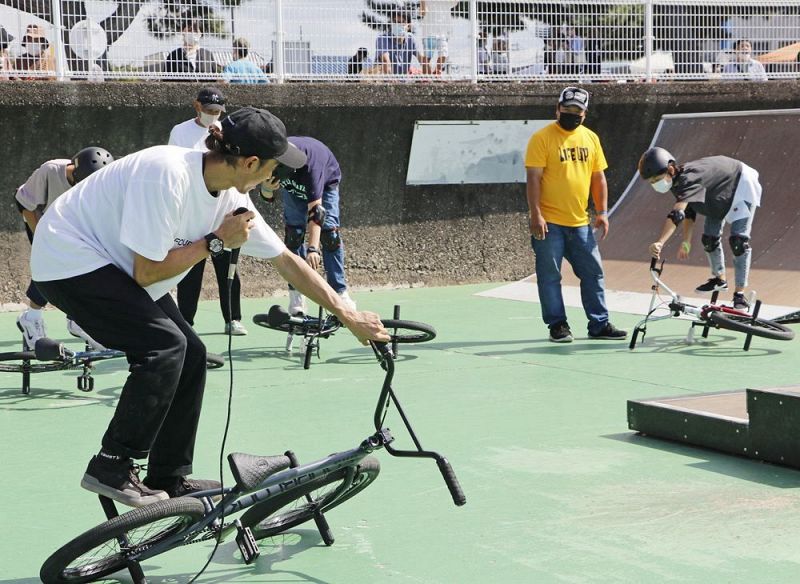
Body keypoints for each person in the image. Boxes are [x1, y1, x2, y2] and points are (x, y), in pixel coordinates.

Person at [30, 107, 389, 507]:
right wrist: (216, 242)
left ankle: (169, 475)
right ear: (251, 163)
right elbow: (147, 272)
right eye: (274, 168)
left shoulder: (232, 197)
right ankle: (112, 464)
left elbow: (286, 260)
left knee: (193, 354)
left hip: (112, 264)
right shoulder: (167, 174)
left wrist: (347, 313)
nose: (276, 179)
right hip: (67, 258)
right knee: (164, 347)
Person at [524, 87, 627, 343]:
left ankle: (599, 324)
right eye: (567, 110)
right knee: (550, 276)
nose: (572, 114)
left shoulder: (590, 138)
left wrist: (602, 212)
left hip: (580, 222)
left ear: (585, 113)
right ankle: (557, 326)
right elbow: (533, 179)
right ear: (557, 109)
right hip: (549, 223)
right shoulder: (542, 138)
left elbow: (598, 177)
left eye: (577, 111)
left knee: (593, 272)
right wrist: (535, 214)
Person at [638, 147, 762, 310]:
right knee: (709, 240)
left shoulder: (689, 179)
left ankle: (740, 295)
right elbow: (689, 213)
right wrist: (686, 242)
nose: (655, 184)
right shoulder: (676, 184)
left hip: (741, 183)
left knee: (738, 242)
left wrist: (660, 242)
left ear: (670, 169)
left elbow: (677, 215)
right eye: (652, 182)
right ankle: (720, 279)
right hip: (718, 193)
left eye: (656, 179)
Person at [15, 148, 114, 351]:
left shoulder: (96, 181)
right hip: (40, 219)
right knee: (50, 266)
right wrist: (43, 236)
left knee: (84, 266)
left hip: (70, 225)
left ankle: (77, 320)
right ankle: (31, 318)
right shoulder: (50, 171)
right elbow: (24, 202)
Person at [168, 86, 246, 335]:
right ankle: (186, 321)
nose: (214, 115)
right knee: (190, 268)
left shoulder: (226, 131)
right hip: (192, 209)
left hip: (223, 209)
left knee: (228, 267)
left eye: (218, 111)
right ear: (197, 106)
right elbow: (172, 166)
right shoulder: (180, 131)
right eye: (210, 110)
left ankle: (232, 319)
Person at [258, 136, 356, 315]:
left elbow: (317, 213)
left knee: (330, 235)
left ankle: (340, 292)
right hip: (293, 190)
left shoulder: (312, 168)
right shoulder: (270, 158)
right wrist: (266, 187)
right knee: (293, 235)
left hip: (326, 185)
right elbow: (266, 197)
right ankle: (297, 293)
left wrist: (312, 248)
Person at [376, 11, 425, 76]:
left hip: (403, 80)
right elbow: (386, 61)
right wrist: (390, 81)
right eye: (394, 22)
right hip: (384, 80)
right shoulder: (383, 39)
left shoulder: (411, 39)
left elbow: (422, 59)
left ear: (408, 26)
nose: (397, 25)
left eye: (401, 22)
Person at [418, 0, 458, 75]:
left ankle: (437, 72)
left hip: (443, 32)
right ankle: (425, 76)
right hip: (429, 32)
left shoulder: (446, 2)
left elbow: (455, 2)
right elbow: (422, 13)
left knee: (444, 54)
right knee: (427, 57)